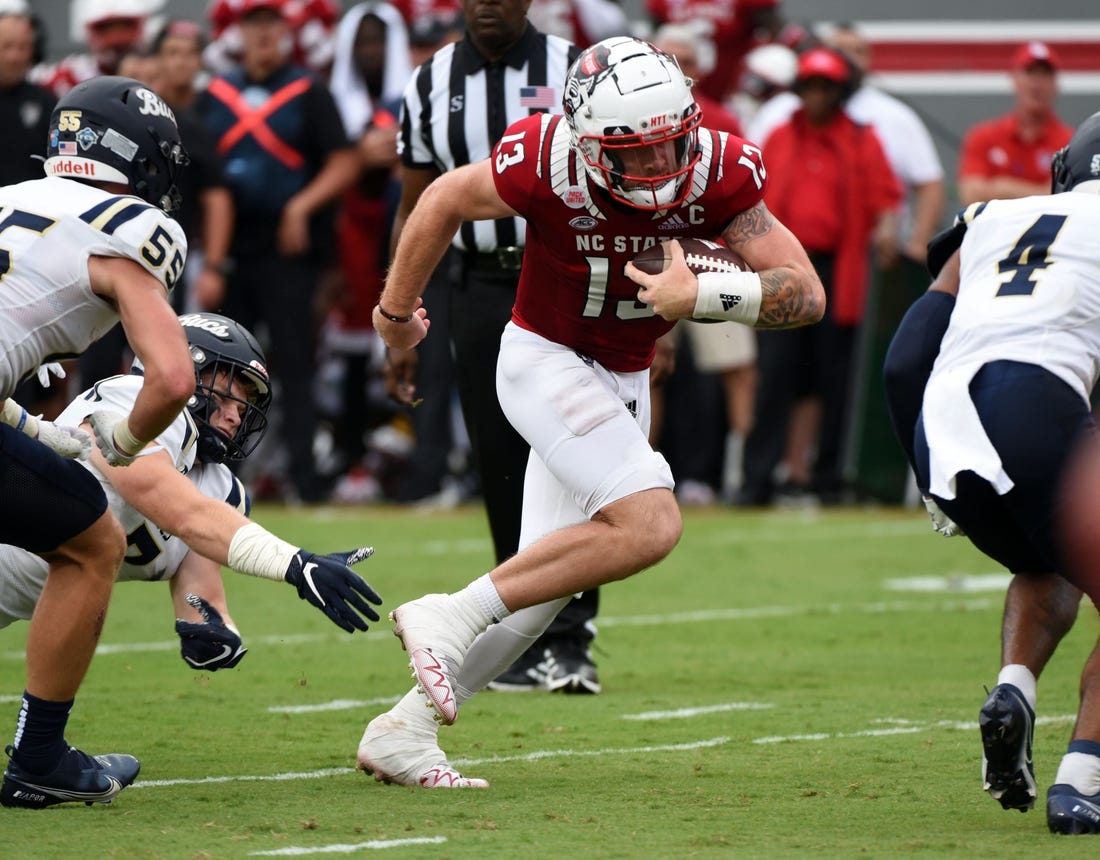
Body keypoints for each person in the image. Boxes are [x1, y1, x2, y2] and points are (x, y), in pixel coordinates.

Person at [356, 36, 824, 788]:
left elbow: (805, 293)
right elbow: (441, 197)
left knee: (540, 596)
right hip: (544, 358)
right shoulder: (545, 157)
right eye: (632, 154)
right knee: (651, 522)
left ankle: (404, 730)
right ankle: (449, 611)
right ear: (586, 139)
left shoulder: (722, 167)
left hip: (622, 376)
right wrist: (394, 312)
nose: (656, 169)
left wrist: (700, 297)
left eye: (669, 145)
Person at [882, 110, 1100, 835]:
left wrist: (924, 469)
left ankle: (1015, 689)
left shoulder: (993, 215)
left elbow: (907, 355)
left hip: (942, 423)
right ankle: (1084, 779)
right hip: (1033, 402)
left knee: (1048, 561)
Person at [387, 0, 601, 693]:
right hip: (478, 287)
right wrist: (399, 316)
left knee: (578, 456)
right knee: (501, 462)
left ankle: (571, 640)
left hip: (568, 279)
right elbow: (415, 204)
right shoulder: (429, 80)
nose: (486, 4)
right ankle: (521, 632)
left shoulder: (574, 68)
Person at [0, 75, 196, 809]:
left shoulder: (11, 198)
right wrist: (123, 435)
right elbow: (173, 378)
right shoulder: (129, 227)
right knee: (93, 542)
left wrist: (34, 427)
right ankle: (40, 760)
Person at [0, 313, 383, 670]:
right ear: (189, 365)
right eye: (233, 391)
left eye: (248, 403)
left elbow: (200, 597)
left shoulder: (220, 488)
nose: (238, 414)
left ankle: (41, 742)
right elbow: (177, 507)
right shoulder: (132, 397)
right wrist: (297, 564)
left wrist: (215, 633)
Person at [197, 0, 360, 504]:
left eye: (272, 25)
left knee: (294, 363)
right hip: (231, 249)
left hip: (289, 252)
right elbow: (202, 173)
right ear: (239, 32)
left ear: (286, 33)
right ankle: (211, 473)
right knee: (218, 366)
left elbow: (344, 162)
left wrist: (301, 206)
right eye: (254, 25)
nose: (263, 36)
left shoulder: (308, 91)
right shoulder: (215, 96)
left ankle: (304, 481)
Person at [735, 47, 900, 506]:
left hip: (838, 269)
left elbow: (887, 196)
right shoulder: (782, 136)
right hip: (783, 268)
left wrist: (887, 231)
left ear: (840, 91)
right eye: (810, 86)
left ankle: (829, 479)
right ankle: (756, 480)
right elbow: (753, 197)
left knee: (835, 380)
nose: (817, 95)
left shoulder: (861, 139)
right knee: (774, 375)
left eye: (826, 87)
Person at [151, 19, 235, 314]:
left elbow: (217, 197)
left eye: (189, 54)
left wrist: (213, 267)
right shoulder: (138, 114)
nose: (180, 62)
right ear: (157, 60)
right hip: (128, 243)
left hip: (181, 250)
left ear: (201, 60)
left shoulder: (213, 115)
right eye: (172, 52)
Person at [957, 41, 1073, 207]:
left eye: (1045, 74)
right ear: (1015, 79)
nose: (1037, 84)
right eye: (1030, 72)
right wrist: (1040, 191)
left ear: (1055, 84)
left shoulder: (1071, 143)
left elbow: (1069, 199)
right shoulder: (982, 137)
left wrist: (1001, 187)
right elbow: (971, 195)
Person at [31, 0, 159, 96]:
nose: (117, 38)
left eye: (125, 25)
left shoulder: (160, 77)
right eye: (105, 28)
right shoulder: (65, 78)